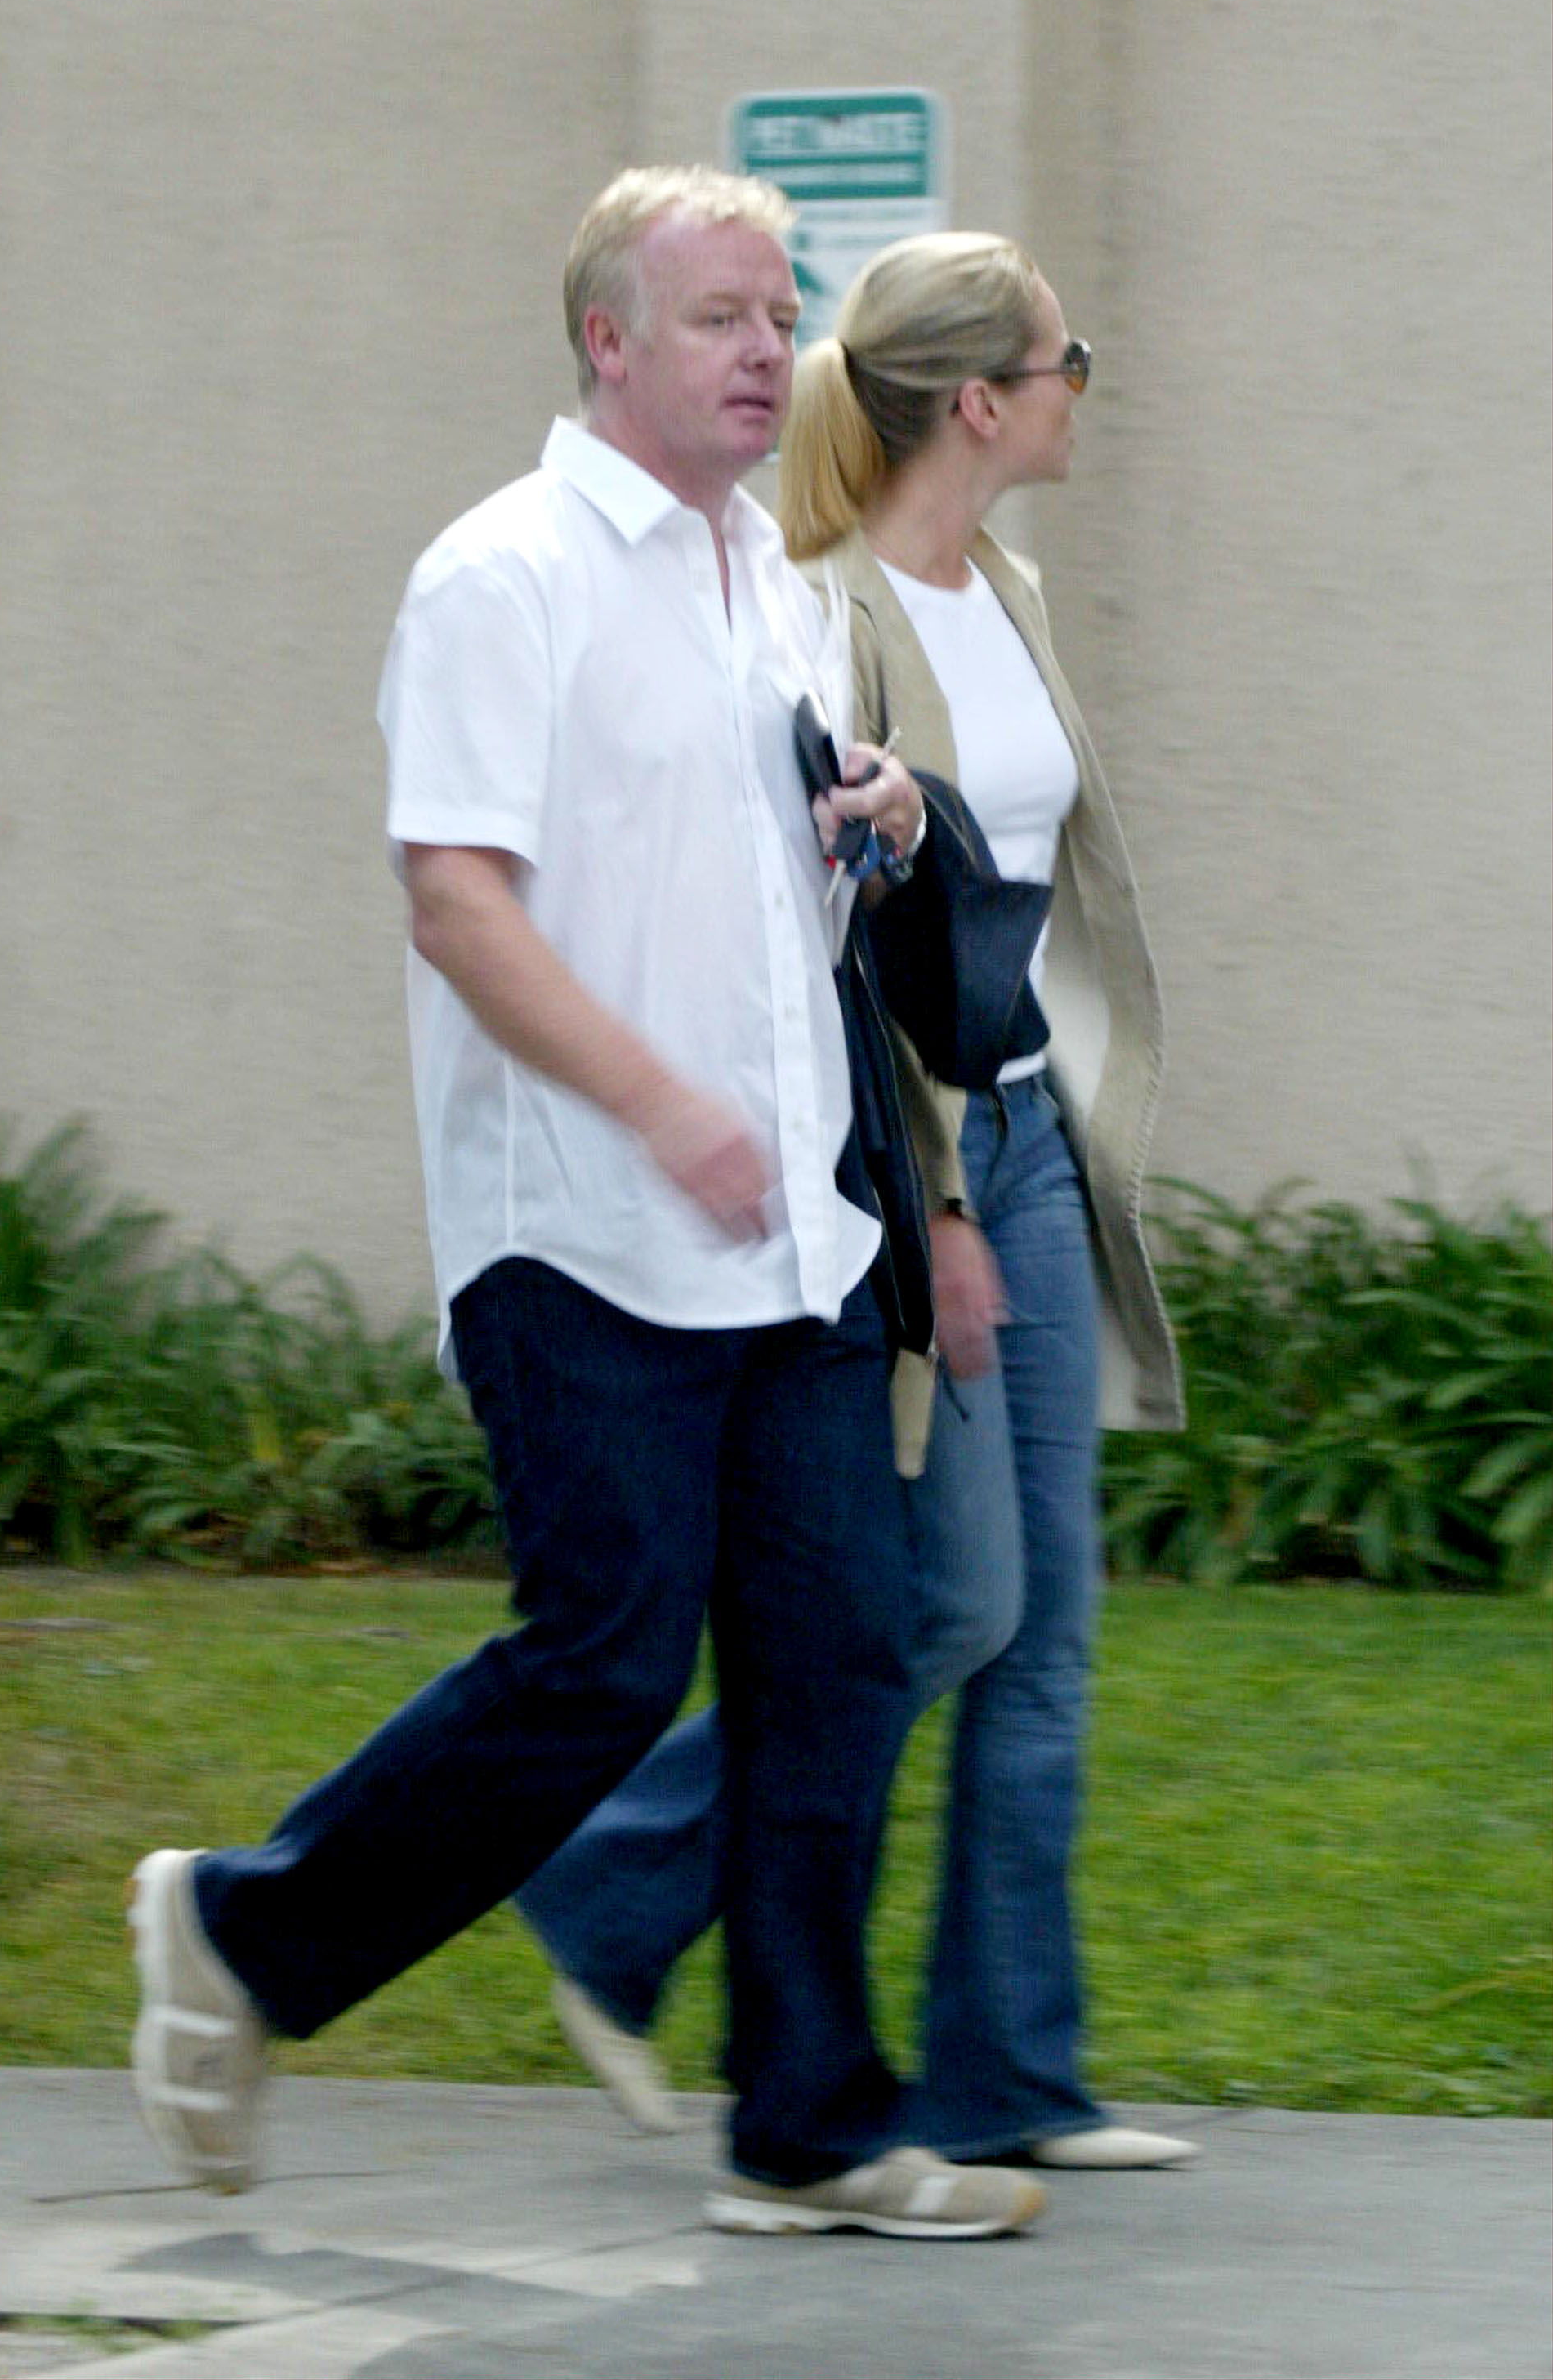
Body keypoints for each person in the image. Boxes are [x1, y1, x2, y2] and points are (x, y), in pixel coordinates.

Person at [123, 168, 1050, 2243]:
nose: (761, 348)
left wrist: (873, 829)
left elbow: (755, 898)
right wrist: (661, 1106)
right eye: (716, 314)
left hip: (794, 1241)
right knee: (605, 1667)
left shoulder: (780, 586)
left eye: (776, 311)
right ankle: (240, 1938)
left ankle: (806, 2126)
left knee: (835, 1661)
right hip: (585, 1237)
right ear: (606, 344)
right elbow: (458, 903)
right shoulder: (500, 576)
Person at [515, 230, 1194, 2172]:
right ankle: (625, 1882)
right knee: (946, 1606)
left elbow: (1041, 890)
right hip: (937, 1164)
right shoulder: (827, 615)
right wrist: (946, 1207)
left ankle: (1007, 2081)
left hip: (1041, 1138)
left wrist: (1046, 1132)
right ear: (982, 398)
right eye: (1073, 356)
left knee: (1041, 1627)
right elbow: (853, 937)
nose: (1085, 384)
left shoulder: (1013, 589)